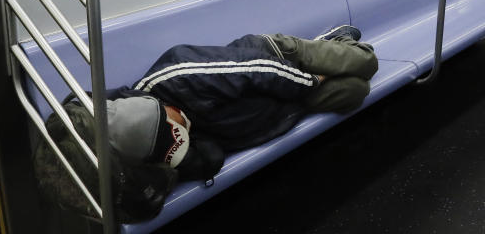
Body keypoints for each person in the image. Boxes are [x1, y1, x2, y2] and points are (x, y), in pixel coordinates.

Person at [33, 26, 378, 221]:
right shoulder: (165, 154)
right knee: (354, 92)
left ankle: (326, 43)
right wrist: (182, 156)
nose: (182, 122)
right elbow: (210, 157)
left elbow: (260, 70)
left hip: (279, 61)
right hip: (275, 113)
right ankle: (328, 63)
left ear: (158, 107)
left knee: (366, 63)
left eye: (175, 120)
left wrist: (311, 80)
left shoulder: (180, 72)